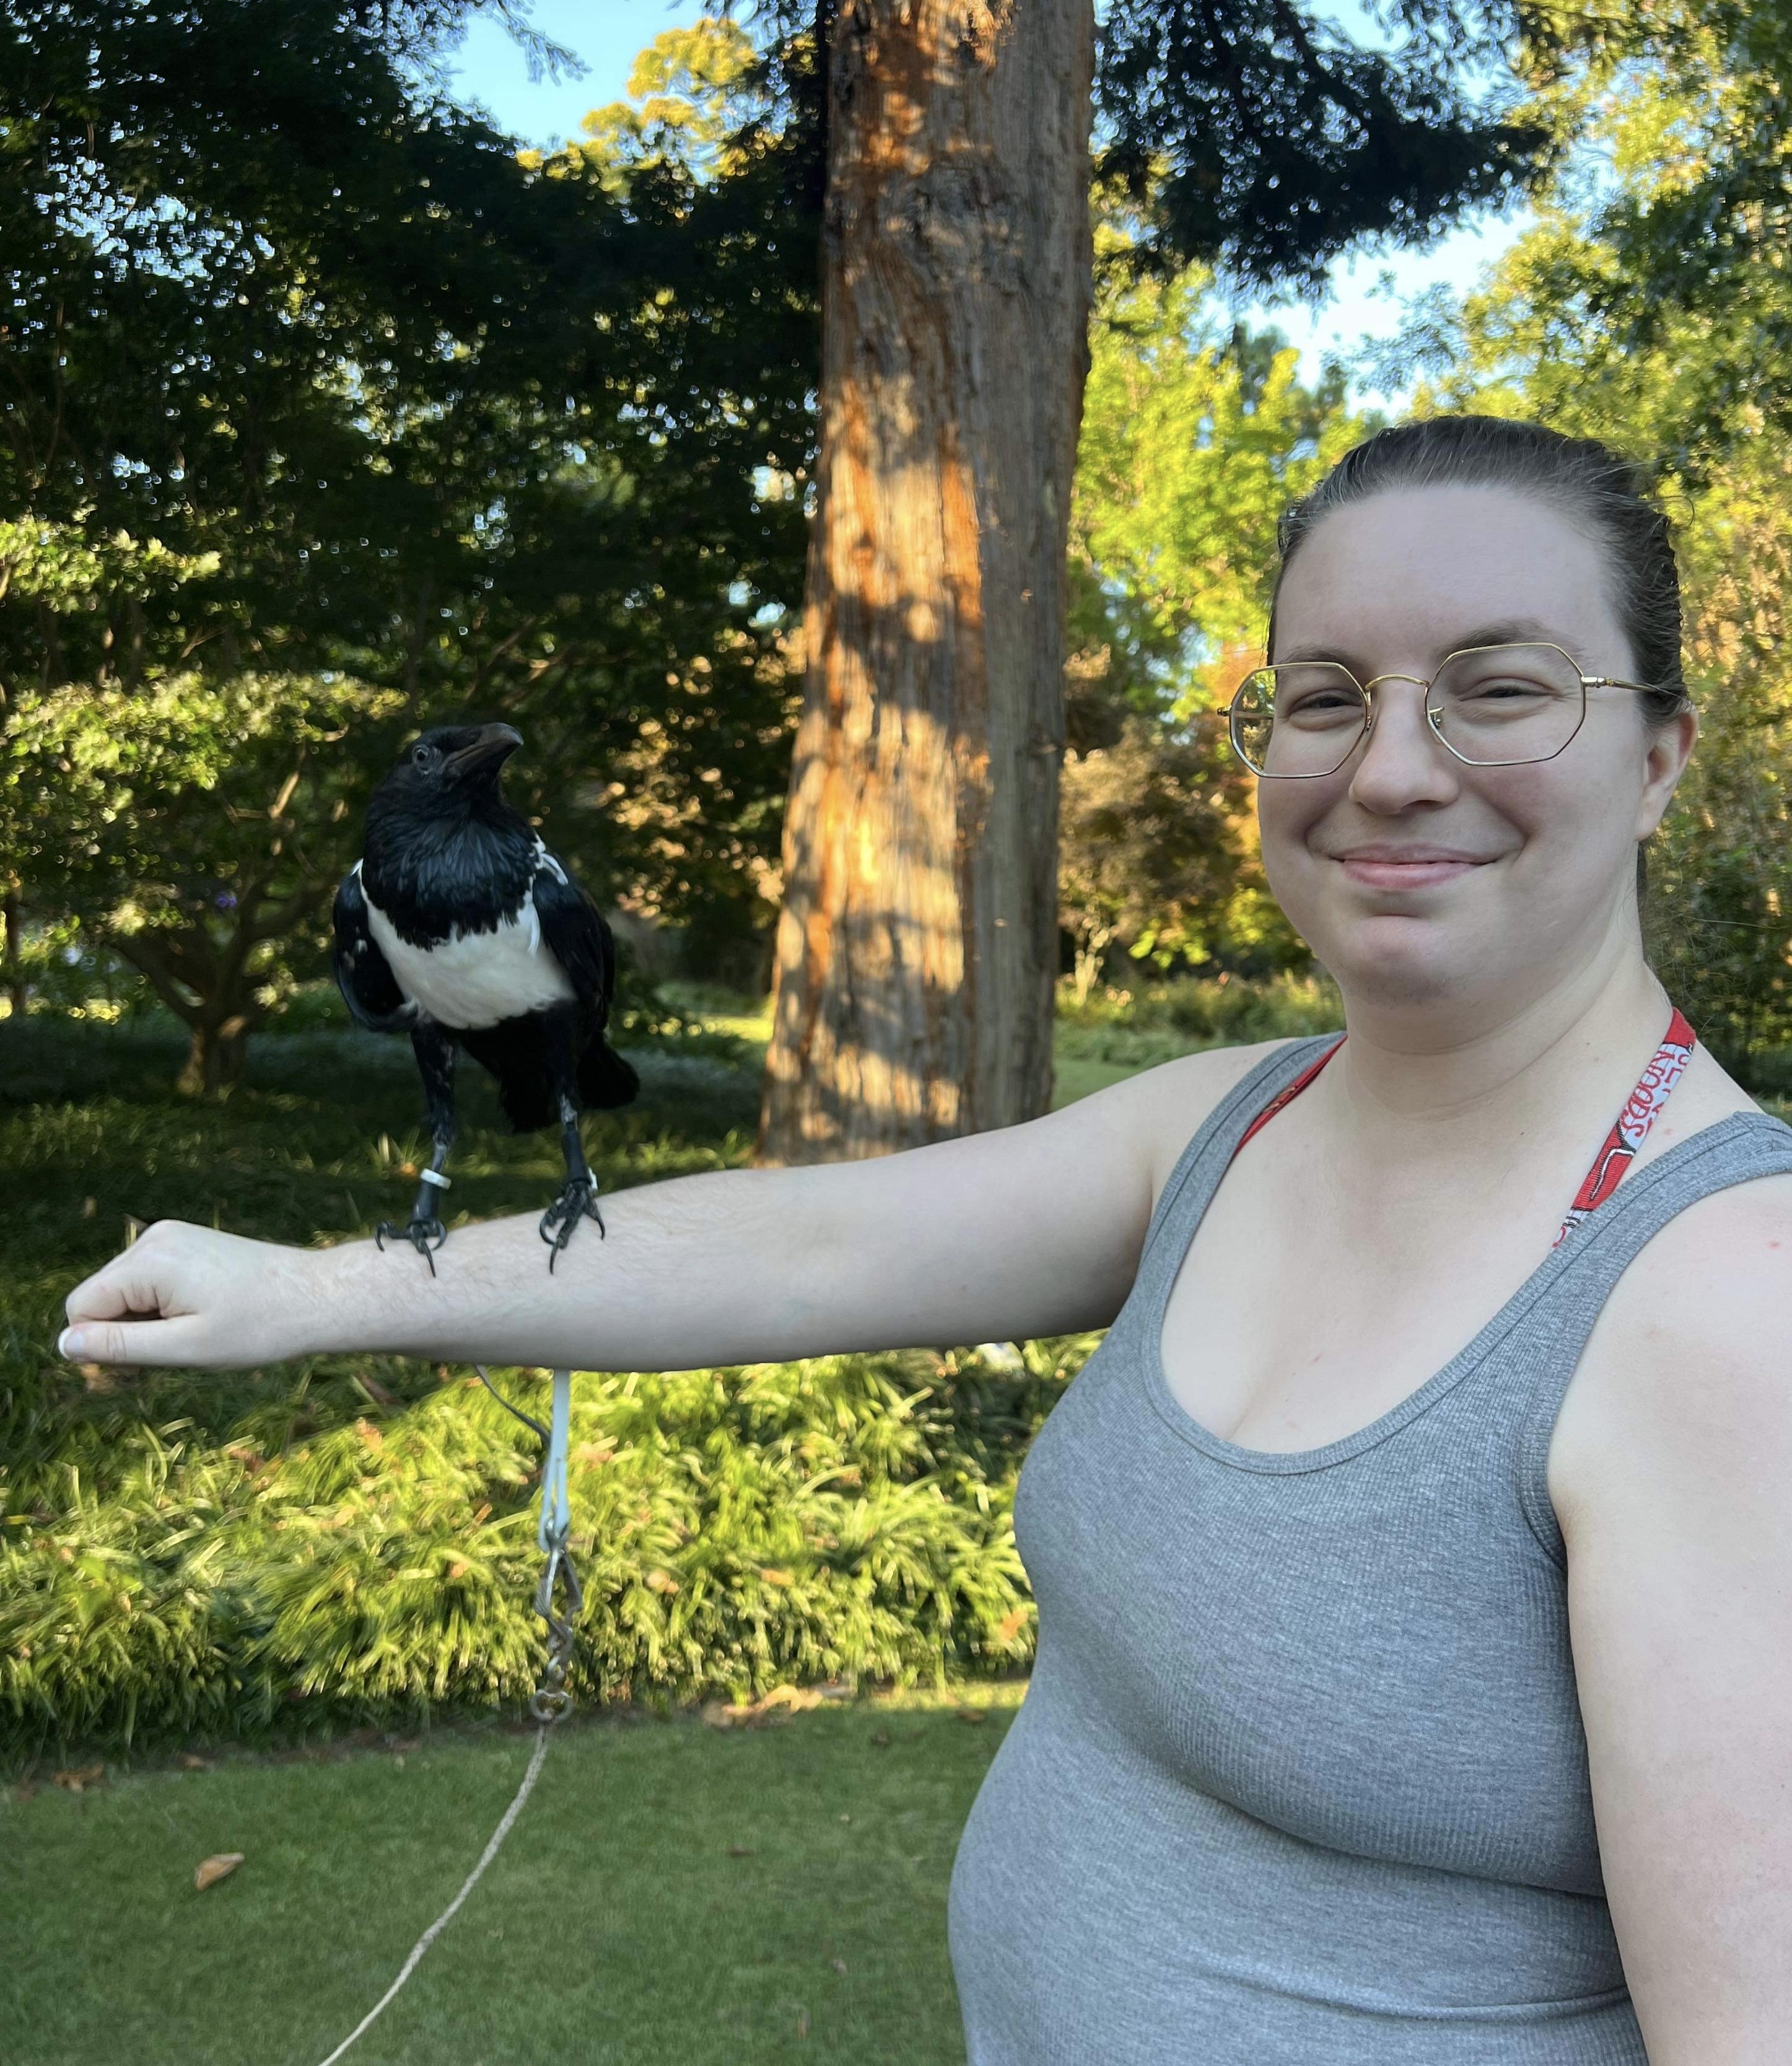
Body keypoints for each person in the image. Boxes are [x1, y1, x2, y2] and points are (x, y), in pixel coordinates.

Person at [59, 415, 1792, 2062]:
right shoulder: (1238, 1117)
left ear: (1658, 759)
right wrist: (310, 1290)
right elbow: (806, 1251)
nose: (1394, 768)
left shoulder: (1725, 1301)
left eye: (1503, 689)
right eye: (1325, 695)